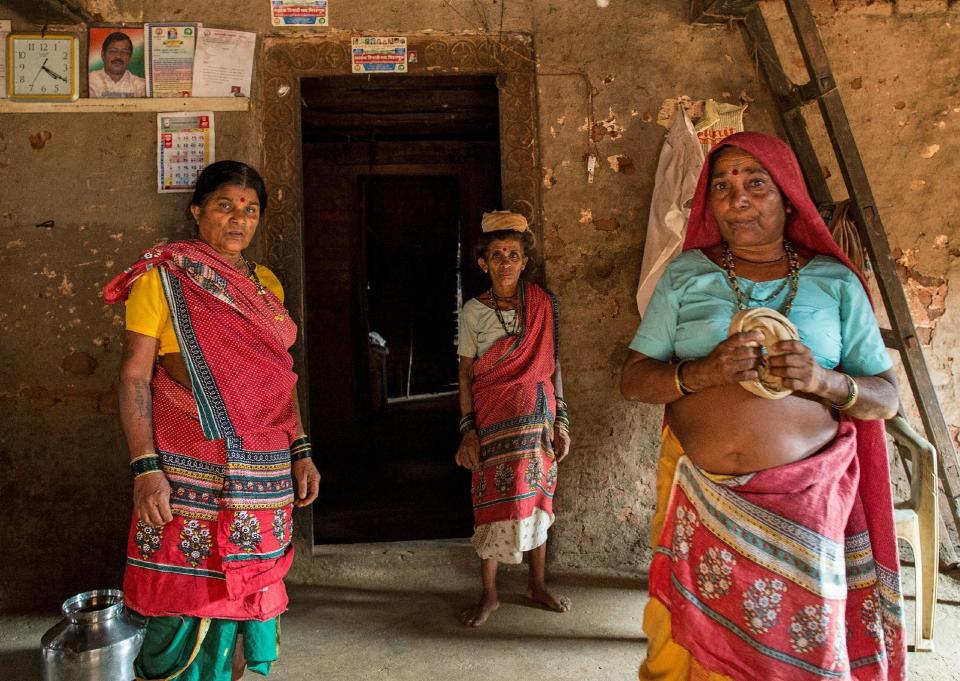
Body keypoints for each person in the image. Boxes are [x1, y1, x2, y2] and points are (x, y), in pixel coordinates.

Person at [620, 132, 906, 680]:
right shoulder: (686, 276)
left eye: (756, 183)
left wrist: (825, 381)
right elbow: (634, 381)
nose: (738, 198)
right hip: (698, 496)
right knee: (679, 649)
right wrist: (702, 371)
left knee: (796, 650)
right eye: (723, 186)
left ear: (787, 198)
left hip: (804, 503)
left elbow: (886, 398)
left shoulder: (836, 282)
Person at [103, 161, 320, 681]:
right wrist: (145, 469)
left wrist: (302, 450)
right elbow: (135, 378)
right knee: (181, 596)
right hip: (187, 462)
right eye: (225, 205)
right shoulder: (162, 277)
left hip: (264, 467)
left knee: (248, 600)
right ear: (197, 211)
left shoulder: (265, 285)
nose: (238, 219)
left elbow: (278, 377)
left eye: (250, 210)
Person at [454, 211, 572, 627]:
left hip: (538, 419)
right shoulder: (473, 312)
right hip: (492, 421)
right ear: (483, 263)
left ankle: (536, 583)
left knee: (537, 499)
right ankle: (489, 593)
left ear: (524, 261)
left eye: (514, 254)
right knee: (490, 501)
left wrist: (562, 422)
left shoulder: (543, 304)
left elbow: (554, 365)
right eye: (497, 255)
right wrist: (467, 431)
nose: (506, 262)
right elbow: (467, 373)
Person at [89, 31, 146, 98]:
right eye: (113, 51)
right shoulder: (90, 81)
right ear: (103, 54)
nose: (118, 56)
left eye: (124, 52)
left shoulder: (141, 85)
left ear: (130, 57)